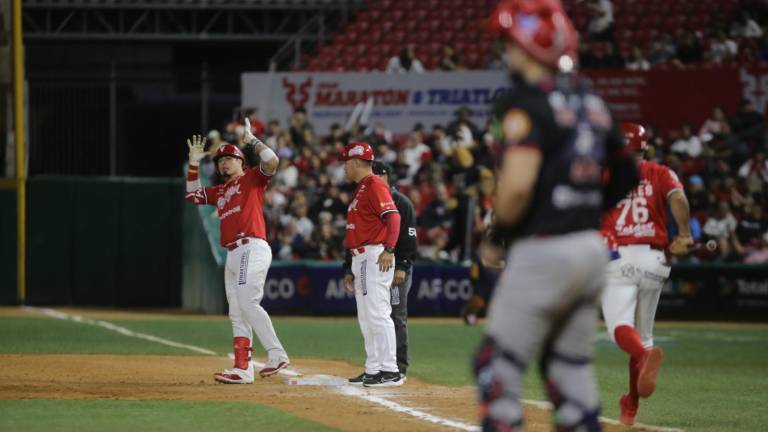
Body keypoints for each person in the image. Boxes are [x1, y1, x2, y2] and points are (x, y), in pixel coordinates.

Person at [475, 1, 639, 431]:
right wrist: (582, 208)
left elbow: (516, 187)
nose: (506, 52)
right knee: (570, 371)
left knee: (496, 369)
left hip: (543, 251)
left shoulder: (523, 103)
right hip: (589, 248)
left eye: (510, 43)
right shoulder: (593, 99)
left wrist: (498, 235)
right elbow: (628, 172)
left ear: (529, 47)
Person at [599, 123, 694, 426]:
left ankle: (641, 356)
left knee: (619, 329)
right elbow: (678, 199)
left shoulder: (606, 173)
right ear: (645, 147)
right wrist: (684, 234)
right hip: (655, 261)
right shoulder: (660, 172)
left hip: (619, 257)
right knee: (645, 335)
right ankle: (630, 407)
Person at [184, 119, 290, 384]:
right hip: (233, 253)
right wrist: (195, 164)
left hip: (251, 247)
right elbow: (193, 196)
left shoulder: (251, 179)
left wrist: (252, 141)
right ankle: (243, 369)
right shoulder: (221, 190)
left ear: (242, 162)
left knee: (247, 302)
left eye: (230, 158)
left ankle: (276, 354)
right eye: (220, 159)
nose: (224, 162)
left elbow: (273, 161)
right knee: (236, 311)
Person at [344, 161, 417, 379]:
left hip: (385, 260)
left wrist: (400, 262)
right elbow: (353, 232)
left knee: (391, 315)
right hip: (364, 257)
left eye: (379, 174)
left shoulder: (399, 201)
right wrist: (348, 266)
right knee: (368, 316)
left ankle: (394, 368)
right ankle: (375, 367)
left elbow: (407, 236)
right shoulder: (363, 192)